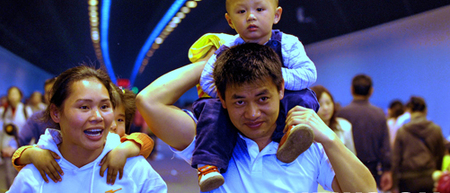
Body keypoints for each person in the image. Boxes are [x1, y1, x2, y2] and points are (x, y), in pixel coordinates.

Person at [137, 43, 376, 192]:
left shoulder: (305, 143)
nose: (252, 114)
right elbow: (148, 101)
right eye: (239, 101)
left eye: (263, 99)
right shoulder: (210, 139)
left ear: (281, 89)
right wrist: (213, 60)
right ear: (221, 98)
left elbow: (365, 191)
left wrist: (330, 140)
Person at [188, 0, 318, 190]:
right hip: (238, 109)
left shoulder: (288, 43)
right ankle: (208, 164)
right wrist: (226, 94)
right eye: (241, 12)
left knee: (304, 96)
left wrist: (272, 78)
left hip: (279, 101)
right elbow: (206, 79)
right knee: (210, 109)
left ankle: (291, 134)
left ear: (276, 15)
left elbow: (309, 73)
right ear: (230, 21)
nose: (251, 17)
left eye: (259, 9)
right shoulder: (227, 48)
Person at [7, 65, 167, 192]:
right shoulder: (35, 174)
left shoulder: (133, 168)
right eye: (84, 107)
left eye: (104, 106)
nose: (97, 116)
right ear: (56, 113)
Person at [337, 74, 392, 191]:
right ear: (371, 91)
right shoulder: (379, 114)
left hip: (347, 170)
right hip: (373, 171)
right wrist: (387, 170)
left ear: (351, 89)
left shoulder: (342, 114)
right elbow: (385, 147)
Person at [392, 96, 445, 193]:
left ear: (410, 110)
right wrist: (436, 173)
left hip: (407, 179)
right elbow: (440, 155)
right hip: (429, 177)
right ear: (426, 110)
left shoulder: (402, 131)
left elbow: (396, 159)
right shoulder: (436, 130)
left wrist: (394, 184)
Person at [0, 86, 33, 189]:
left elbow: (31, 129)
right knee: (8, 175)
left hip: (22, 147)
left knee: (21, 175)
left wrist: (33, 148)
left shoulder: (26, 110)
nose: (13, 96)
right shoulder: (4, 111)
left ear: (20, 96)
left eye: (15, 94)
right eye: (11, 94)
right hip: (7, 147)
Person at [312, 85, 355, 154]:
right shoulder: (309, 132)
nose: (325, 108)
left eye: (328, 103)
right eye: (320, 105)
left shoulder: (344, 126)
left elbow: (352, 155)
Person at [18, 78, 56, 146]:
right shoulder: (37, 117)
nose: (51, 96)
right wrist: (11, 146)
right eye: (48, 93)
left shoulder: (69, 117)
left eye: (54, 92)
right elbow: (21, 138)